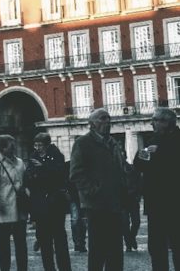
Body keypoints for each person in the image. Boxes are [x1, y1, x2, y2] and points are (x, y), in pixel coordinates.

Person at [70, 108, 127, 271]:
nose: (107, 122)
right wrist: (93, 191)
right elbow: (76, 173)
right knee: (98, 250)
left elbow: (120, 168)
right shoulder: (83, 143)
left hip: (115, 203)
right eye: (103, 119)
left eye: (109, 119)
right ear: (92, 124)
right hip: (96, 205)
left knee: (116, 250)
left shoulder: (113, 143)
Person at [134, 107, 180, 271]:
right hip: (155, 203)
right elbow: (137, 164)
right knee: (156, 247)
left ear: (166, 122)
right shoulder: (152, 138)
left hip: (175, 202)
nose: (152, 123)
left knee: (177, 244)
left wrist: (159, 153)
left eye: (155, 120)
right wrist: (144, 155)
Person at [24, 132, 71, 271]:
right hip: (40, 204)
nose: (38, 148)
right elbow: (28, 178)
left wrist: (42, 169)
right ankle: (49, 268)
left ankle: (65, 268)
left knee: (59, 238)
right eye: (36, 145)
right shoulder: (33, 157)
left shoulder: (57, 156)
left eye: (40, 145)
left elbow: (59, 176)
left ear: (47, 145)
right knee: (44, 240)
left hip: (55, 203)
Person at [0, 133, 28, 271]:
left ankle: (23, 268)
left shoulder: (20, 162)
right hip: (4, 210)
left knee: (21, 243)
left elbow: (26, 182)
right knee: (4, 244)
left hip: (20, 208)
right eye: (11, 146)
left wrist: (27, 194)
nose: (14, 148)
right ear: (2, 148)